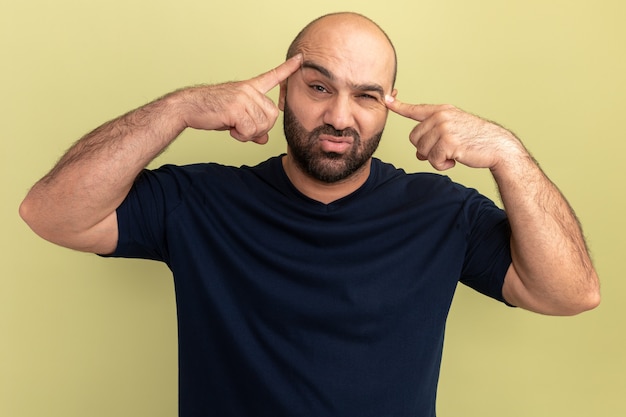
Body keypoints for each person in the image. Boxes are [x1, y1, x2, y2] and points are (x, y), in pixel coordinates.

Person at [20, 12, 599, 417]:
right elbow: (50, 213)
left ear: (388, 106)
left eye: (367, 96)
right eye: (319, 87)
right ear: (282, 90)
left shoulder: (442, 213)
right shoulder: (199, 202)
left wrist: (506, 153)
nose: (340, 117)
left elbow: (569, 294)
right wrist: (179, 109)